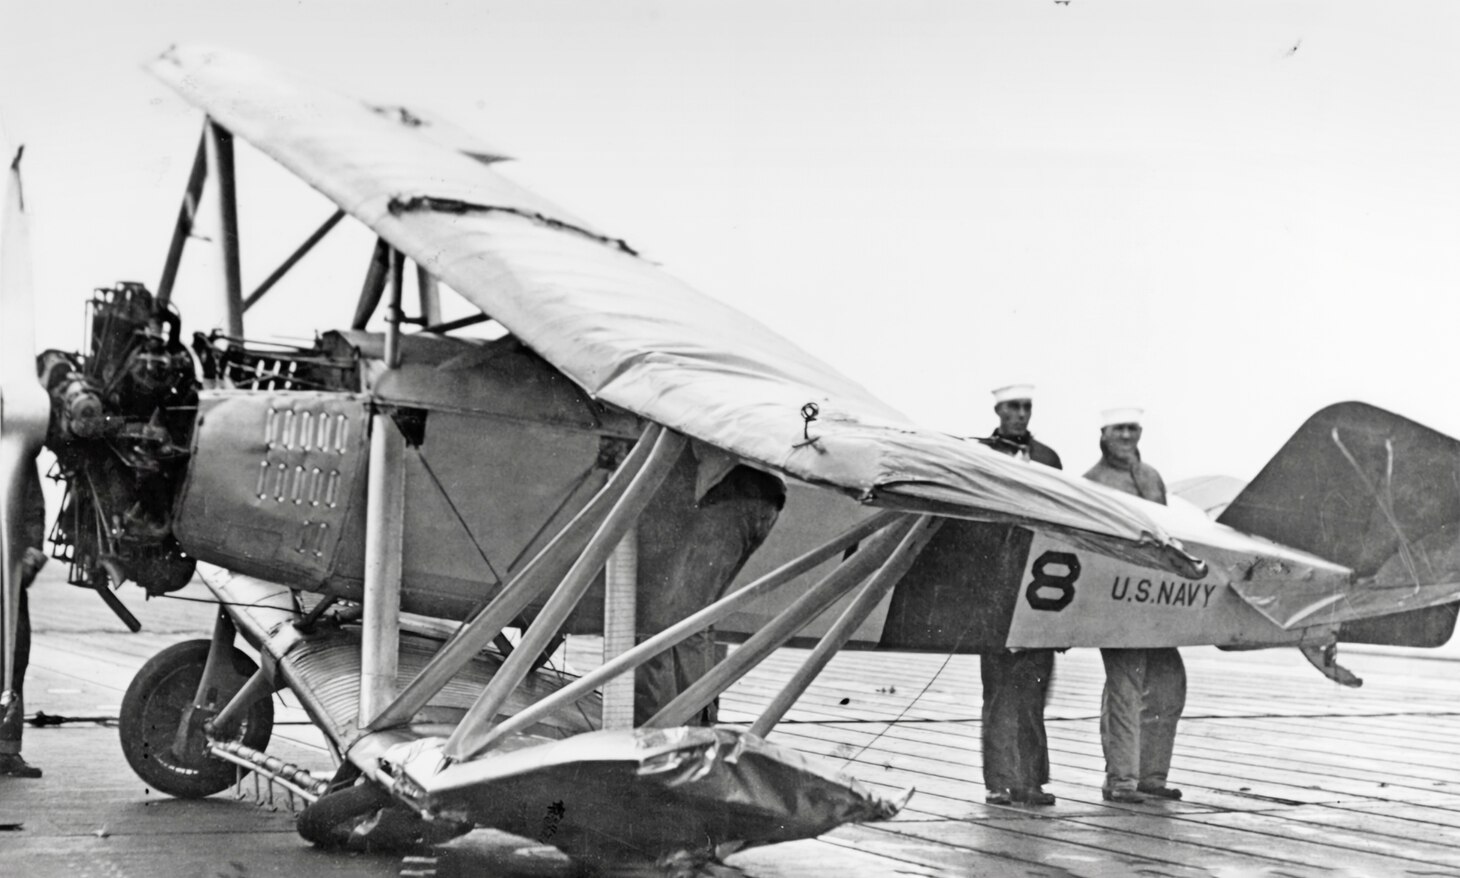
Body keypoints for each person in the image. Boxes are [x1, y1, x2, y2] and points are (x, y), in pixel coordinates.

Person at [633, 441, 785, 726]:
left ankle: (690, 727)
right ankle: (691, 720)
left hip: (735, 489)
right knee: (694, 617)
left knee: (682, 620)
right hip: (756, 490)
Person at [1083, 407, 1185, 803]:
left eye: (1133, 428)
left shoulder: (1152, 476)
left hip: (1158, 599)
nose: (1127, 435)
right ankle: (1121, 781)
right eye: (1119, 428)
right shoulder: (1092, 482)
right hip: (1117, 599)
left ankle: (1151, 776)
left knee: (1168, 685)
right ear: (1104, 432)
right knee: (1124, 690)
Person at [976, 384, 1060, 806]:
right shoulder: (981, 454)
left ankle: (1031, 780)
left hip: (1040, 589)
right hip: (994, 587)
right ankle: (998, 780)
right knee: (999, 693)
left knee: (1033, 692)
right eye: (1013, 406)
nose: (1021, 414)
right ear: (998, 409)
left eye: (1027, 406)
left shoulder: (1048, 458)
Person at [0, 461, 47, 778]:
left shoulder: (15, 451)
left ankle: (6, 750)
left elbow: (33, 510)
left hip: (7, 572)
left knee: (13, 657)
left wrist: (29, 560)